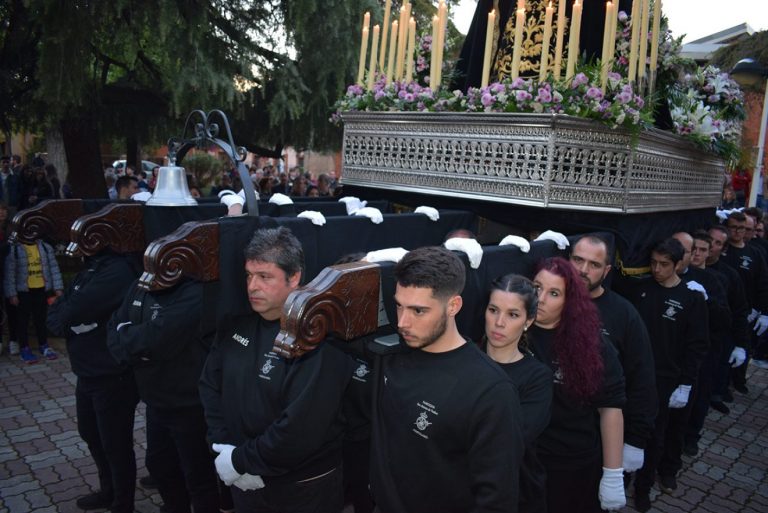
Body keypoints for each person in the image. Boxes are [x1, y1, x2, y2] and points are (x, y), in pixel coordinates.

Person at [199, 227, 354, 513]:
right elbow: (210, 386)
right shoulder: (237, 324)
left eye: (265, 277)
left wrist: (242, 461)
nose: (252, 286)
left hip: (302, 488)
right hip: (240, 475)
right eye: (249, 275)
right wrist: (225, 450)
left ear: (294, 277)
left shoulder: (319, 338)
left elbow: (300, 428)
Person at [369, 246, 524, 513]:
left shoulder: (489, 391)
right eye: (399, 306)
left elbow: (497, 499)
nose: (403, 322)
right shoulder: (391, 354)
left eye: (418, 311)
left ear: (453, 306)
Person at [108, 279, 220, 513]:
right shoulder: (141, 283)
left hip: (189, 405)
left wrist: (133, 340)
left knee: (198, 477)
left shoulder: (195, 290)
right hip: (155, 401)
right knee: (160, 466)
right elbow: (114, 327)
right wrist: (137, 348)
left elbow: (160, 336)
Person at [528, 257, 626, 513]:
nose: (541, 298)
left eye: (554, 293)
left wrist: (613, 473)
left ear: (569, 301)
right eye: (536, 287)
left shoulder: (591, 345)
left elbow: (611, 407)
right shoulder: (514, 331)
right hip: (525, 459)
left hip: (571, 464)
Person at [47, 250, 141, 513]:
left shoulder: (118, 270)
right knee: (90, 433)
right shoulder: (92, 268)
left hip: (112, 375)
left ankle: (123, 503)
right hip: (87, 372)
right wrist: (71, 322)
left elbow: (73, 308)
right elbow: (58, 315)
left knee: (115, 442)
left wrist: (71, 319)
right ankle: (108, 491)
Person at [623, 238, 708, 512]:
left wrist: (685, 383)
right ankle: (620, 479)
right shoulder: (641, 290)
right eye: (653, 263)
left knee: (654, 436)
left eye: (664, 264)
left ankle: (644, 487)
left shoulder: (691, 298)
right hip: (634, 375)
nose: (657, 269)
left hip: (665, 379)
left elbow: (696, 345)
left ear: (678, 263)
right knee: (624, 429)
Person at [569, 235, 657, 476]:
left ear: (607, 270)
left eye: (594, 265)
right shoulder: (551, 302)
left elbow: (642, 378)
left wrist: (636, 440)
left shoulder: (624, 314)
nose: (583, 270)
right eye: (577, 260)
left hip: (598, 439)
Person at [483, 274, 553, 513]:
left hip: (516, 494)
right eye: (493, 310)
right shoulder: (464, 358)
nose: (499, 322)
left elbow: (511, 439)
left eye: (512, 314)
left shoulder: (537, 378)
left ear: (528, 321)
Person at [705, 224, 751, 414]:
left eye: (717, 243)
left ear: (723, 249)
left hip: (717, 337)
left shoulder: (729, 276)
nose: (711, 246)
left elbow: (739, 311)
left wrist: (741, 344)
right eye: (709, 240)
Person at [4, 238, 63, 363]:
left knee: (41, 319)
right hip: (23, 292)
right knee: (22, 321)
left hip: (41, 289)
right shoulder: (15, 249)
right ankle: (24, 348)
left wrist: (58, 288)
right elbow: (10, 273)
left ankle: (44, 345)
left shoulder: (46, 247)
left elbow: (54, 268)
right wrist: (12, 294)